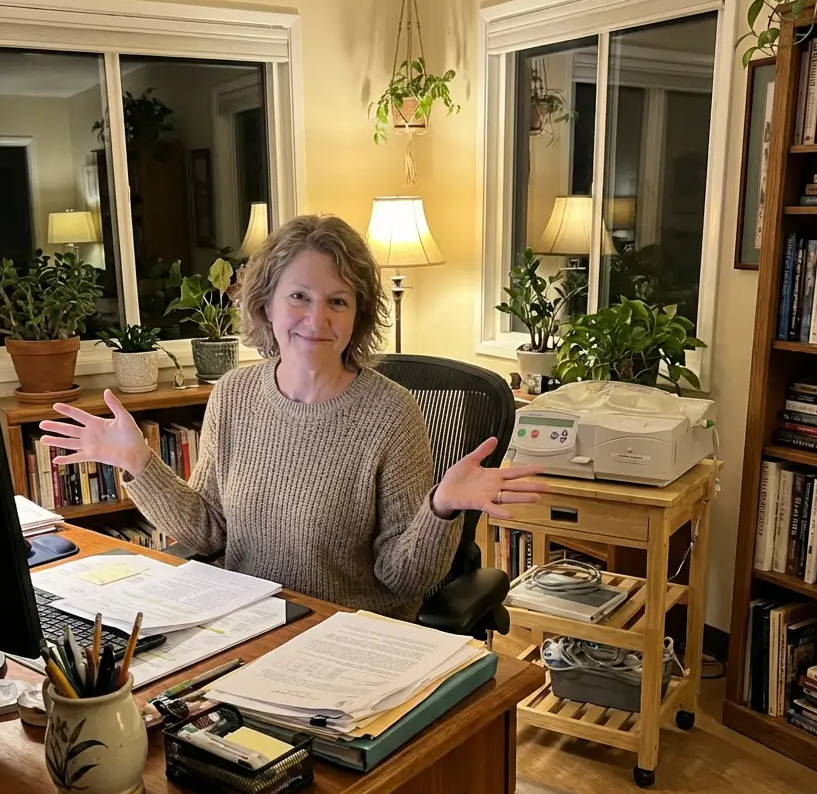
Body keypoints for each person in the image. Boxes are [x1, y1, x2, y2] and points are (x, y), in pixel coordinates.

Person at [38, 214, 547, 620]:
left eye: (338, 301)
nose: (316, 318)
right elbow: (210, 532)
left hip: (346, 632)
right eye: (299, 296)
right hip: (247, 622)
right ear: (266, 305)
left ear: (358, 316)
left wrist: (440, 508)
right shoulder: (234, 395)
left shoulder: (392, 414)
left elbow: (402, 579)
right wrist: (141, 464)